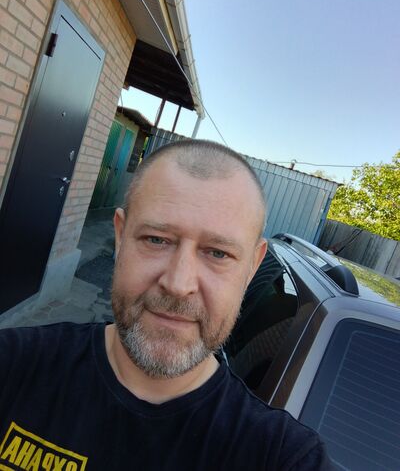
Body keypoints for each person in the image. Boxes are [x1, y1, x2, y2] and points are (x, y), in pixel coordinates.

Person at [0, 140, 333, 470]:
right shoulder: (15, 364)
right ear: (120, 237)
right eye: (156, 240)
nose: (178, 284)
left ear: (251, 268)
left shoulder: (281, 455)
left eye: (218, 253)